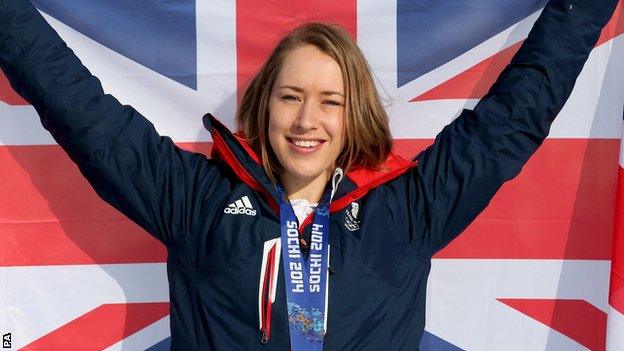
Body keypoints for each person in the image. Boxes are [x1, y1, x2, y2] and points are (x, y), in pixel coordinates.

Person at [0, 0, 618, 350]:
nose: (307, 120)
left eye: (330, 100)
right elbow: (82, 114)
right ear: (264, 103)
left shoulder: (406, 210)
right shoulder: (192, 200)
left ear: (355, 117)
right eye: (291, 96)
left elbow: (514, 118)